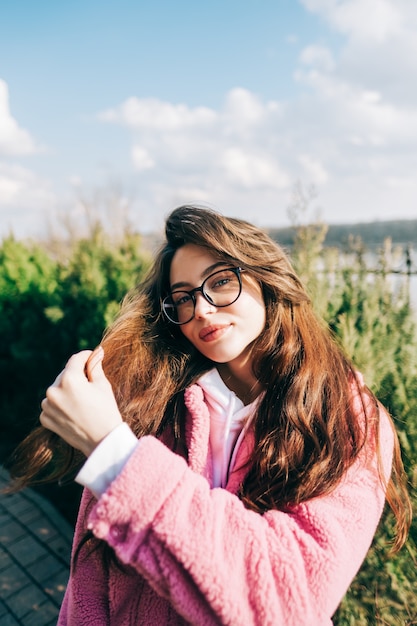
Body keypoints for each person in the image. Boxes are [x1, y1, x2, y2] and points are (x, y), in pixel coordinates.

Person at [9, 205, 410, 625]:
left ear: (267, 279)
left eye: (220, 282)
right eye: (182, 298)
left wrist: (114, 455)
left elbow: (290, 600)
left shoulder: (347, 419)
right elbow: (90, 590)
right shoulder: (153, 408)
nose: (201, 309)